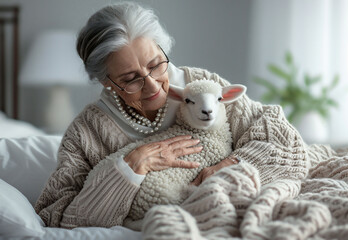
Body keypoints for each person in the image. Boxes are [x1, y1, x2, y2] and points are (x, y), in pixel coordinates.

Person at [35, 2, 309, 229]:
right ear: (107, 82)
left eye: (156, 65)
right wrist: (128, 169)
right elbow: (59, 219)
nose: (153, 86)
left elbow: (288, 146)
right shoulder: (86, 133)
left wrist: (232, 165)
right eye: (131, 79)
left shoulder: (203, 85)